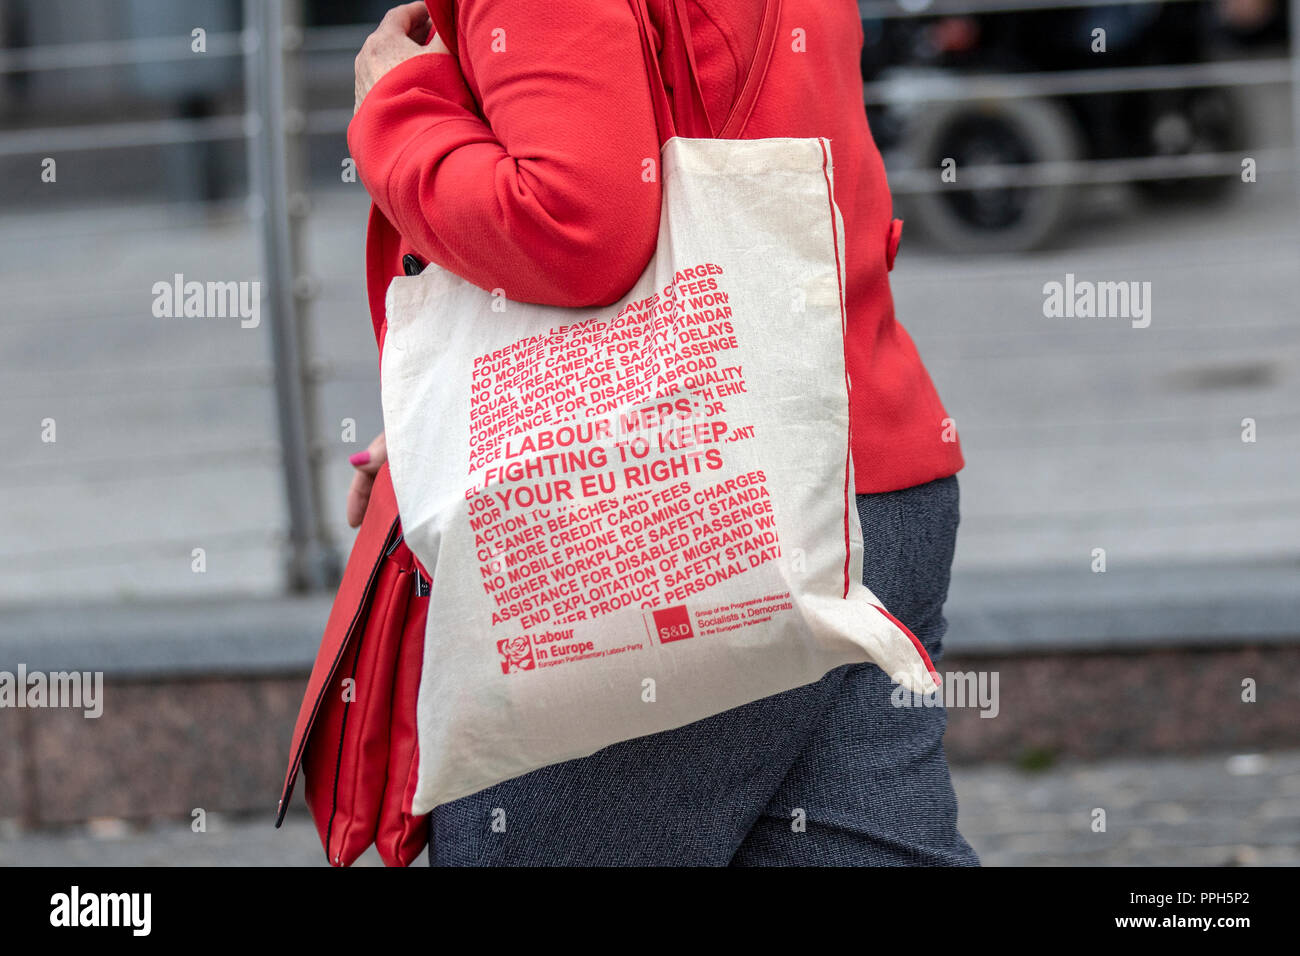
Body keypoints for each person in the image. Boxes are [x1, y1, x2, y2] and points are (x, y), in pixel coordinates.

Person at [344, 0, 976, 865]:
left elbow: (575, 224)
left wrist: (397, 110)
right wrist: (452, 430)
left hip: (675, 532)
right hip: (864, 478)